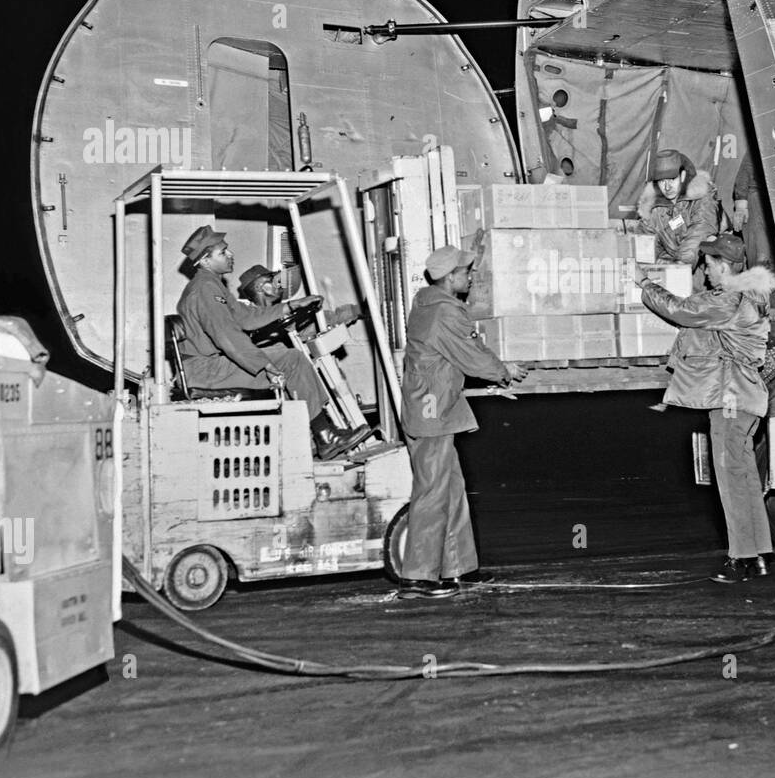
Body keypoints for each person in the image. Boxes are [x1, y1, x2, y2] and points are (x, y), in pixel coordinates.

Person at [634, 233, 775, 583]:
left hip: (730, 399)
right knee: (744, 478)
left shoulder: (729, 300)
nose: (706, 271)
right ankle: (759, 554)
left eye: (710, 264)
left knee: (730, 479)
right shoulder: (750, 297)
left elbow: (682, 311)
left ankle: (739, 557)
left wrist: (646, 284)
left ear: (725, 266)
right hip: (743, 399)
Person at [398, 244, 528, 600]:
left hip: (432, 406)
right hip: (432, 410)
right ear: (450, 276)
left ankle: (458, 570)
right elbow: (472, 356)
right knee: (432, 493)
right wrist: (504, 371)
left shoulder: (424, 305)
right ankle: (418, 577)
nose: (470, 276)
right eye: (465, 272)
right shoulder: (446, 313)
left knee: (451, 489)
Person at [175, 226, 370, 460]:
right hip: (205, 371)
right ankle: (325, 436)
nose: (230, 255)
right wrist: (265, 365)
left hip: (209, 366)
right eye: (222, 253)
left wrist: (289, 306)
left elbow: (246, 318)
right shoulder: (205, 289)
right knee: (292, 360)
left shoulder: (211, 284)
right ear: (205, 260)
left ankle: (322, 432)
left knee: (288, 358)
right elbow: (226, 336)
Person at [636, 148, 720, 267]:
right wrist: (658, 264)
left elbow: (699, 233)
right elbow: (648, 244)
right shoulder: (653, 208)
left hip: (708, 262)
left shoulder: (701, 198)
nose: (667, 187)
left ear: (683, 175)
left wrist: (680, 264)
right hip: (677, 262)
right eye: (662, 181)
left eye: (672, 179)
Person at [236, 264, 361, 329]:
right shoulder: (248, 317)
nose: (278, 282)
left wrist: (357, 310)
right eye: (271, 279)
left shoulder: (283, 313)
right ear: (259, 287)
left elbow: (318, 324)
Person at [730, 145, 774, 271]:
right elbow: (745, 171)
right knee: (760, 257)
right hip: (757, 197)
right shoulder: (762, 142)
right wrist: (741, 206)